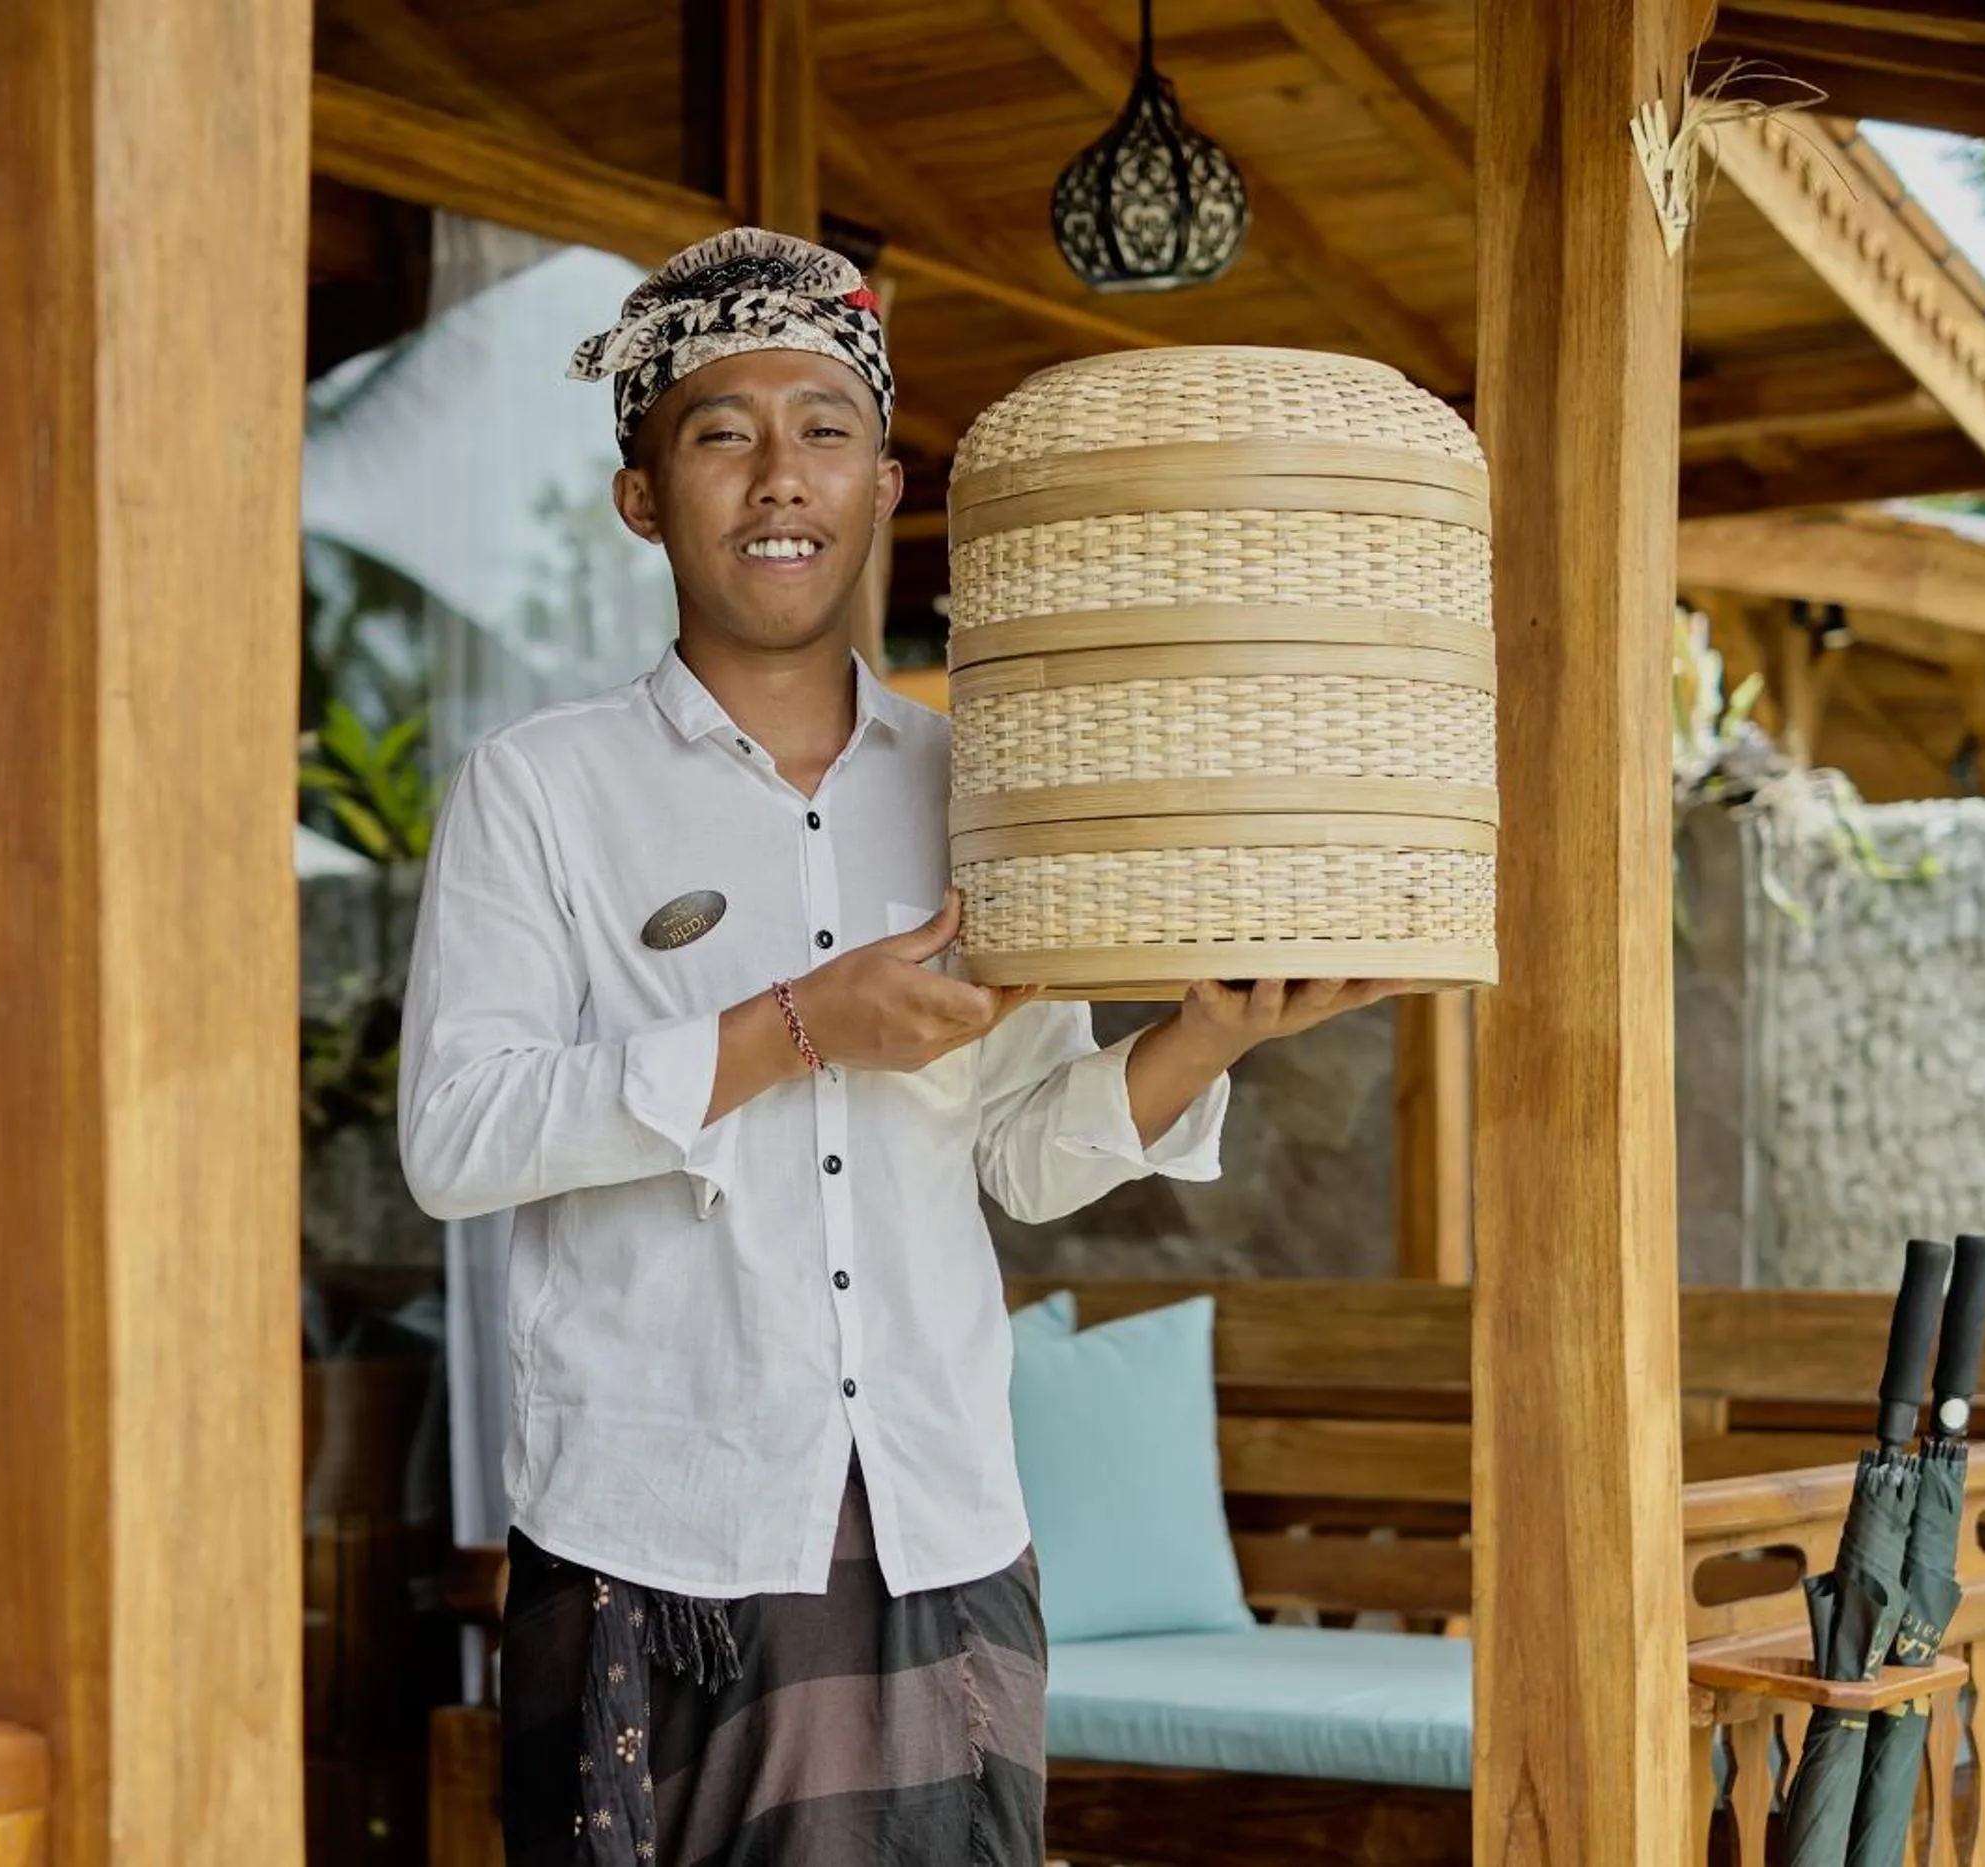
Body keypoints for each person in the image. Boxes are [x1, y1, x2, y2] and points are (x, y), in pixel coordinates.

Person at [398, 227, 1415, 1867]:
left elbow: (1020, 1146)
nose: (779, 476)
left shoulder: (982, 782)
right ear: (645, 495)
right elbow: (458, 1133)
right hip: (659, 1540)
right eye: (723, 432)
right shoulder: (541, 788)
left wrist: (1205, 1038)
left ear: (885, 480)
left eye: (826, 428)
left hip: (939, 1514)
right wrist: (798, 1026)